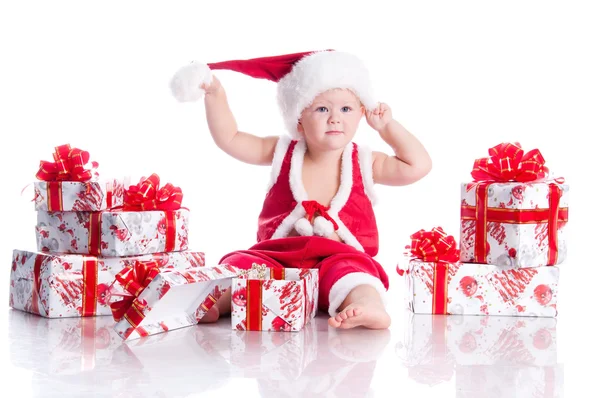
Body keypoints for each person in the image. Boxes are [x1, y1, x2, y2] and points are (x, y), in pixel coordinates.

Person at [170, 50, 432, 329]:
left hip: (338, 257)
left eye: (346, 109)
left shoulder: (366, 161)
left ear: (361, 114)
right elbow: (231, 138)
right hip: (278, 258)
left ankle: (366, 305)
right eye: (322, 109)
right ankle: (219, 301)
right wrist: (215, 94)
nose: (334, 118)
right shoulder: (282, 151)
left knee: (358, 275)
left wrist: (387, 127)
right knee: (242, 262)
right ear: (298, 118)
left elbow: (418, 165)